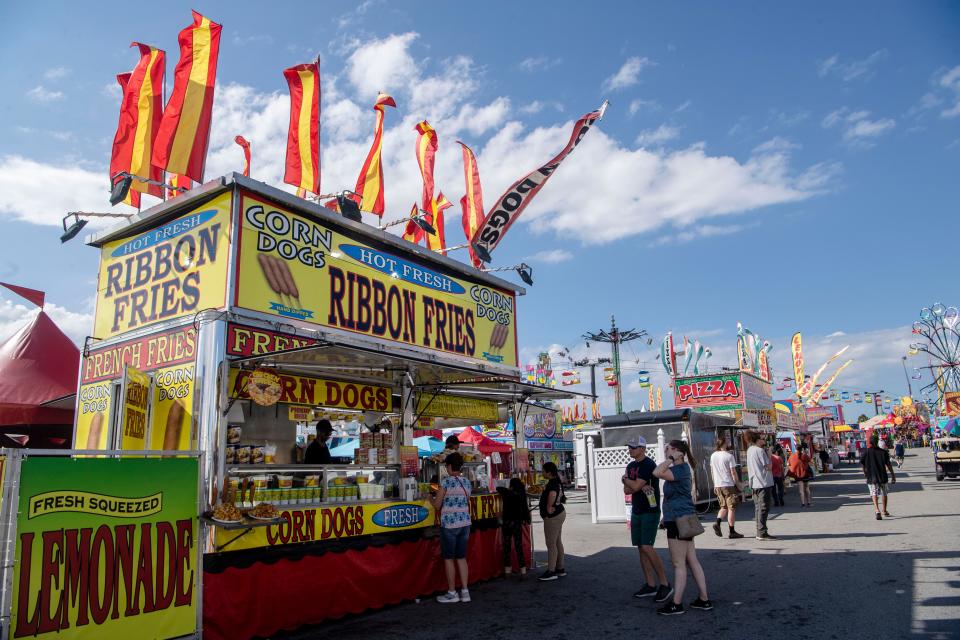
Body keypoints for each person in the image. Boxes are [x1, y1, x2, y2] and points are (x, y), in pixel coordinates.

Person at [653, 440, 712, 615]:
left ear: (678, 451)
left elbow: (656, 472)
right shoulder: (682, 469)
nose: (665, 451)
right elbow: (673, 496)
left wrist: (671, 458)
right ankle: (704, 599)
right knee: (691, 560)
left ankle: (676, 604)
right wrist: (665, 516)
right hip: (681, 517)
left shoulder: (679, 469)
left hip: (678, 520)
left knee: (678, 563)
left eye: (668, 448)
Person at [621, 437, 672, 601]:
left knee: (647, 546)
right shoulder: (631, 466)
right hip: (637, 510)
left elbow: (633, 486)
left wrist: (626, 480)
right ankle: (650, 584)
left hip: (650, 511)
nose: (631, 450)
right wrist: (635, 484)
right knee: (641, 548)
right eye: (630, 447)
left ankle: (665, 584)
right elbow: (627, 491)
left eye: (634, 447)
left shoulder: (648, 464)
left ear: (642, 448)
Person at [431, 452, 472, 602]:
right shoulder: (467, 482)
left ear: (449, 466)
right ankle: (465, 592)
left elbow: (437, 505)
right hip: (465, 524)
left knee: (449, 559)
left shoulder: (446, 482)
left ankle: (452, 592)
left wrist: (429, 497)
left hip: (449, 524)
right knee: (461, 557)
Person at [709, 437, 745, 539]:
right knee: (731, 508)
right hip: (728, 484)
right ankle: (732, 531)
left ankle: (717, 522)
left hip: (718, 485)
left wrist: (715, 484)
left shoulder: (713, 455)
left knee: (723, 506)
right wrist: (737, 483)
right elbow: (733, 472)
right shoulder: (729, 456)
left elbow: (712, 471)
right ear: (724, 443)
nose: (729, 443)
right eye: (728, 441)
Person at [537, 461, 567, 581]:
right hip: (559, 513)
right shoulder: (556, 481)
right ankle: (559, 568)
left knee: (551, 544)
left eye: (543, 471)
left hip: (553, 516)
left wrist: (549, 507)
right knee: (557, 541)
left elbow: (553, 494)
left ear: (549, 472)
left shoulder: (553, 483)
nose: (542, 473)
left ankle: (551, 571)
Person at [496, 478, 530, 577]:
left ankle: (507, 571)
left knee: (507, 547)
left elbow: (498, 488)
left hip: (507, 523)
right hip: (517, 523)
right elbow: (524, 510)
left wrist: (508, 488)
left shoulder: (507, 493)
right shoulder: (521, 495)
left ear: (511, 486)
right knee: (518, 547)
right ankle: (523, 571)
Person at [746, 432, 776, 540]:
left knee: (758, 508)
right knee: (764, 507)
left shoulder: (749, 450)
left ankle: (759, 531)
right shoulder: (760, 451)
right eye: (763, 438)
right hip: (763, 482)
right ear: (758, 440)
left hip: (755, 483)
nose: (764, 440)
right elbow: (768, 467)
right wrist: (769, 455)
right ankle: (762, 532)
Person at [861, 435, 896, 520]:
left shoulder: (866, 452)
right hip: (882, 476)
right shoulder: (883, 452)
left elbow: (862, 463)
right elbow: (889, 464)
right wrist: (893, 475)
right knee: (884, 493)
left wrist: (865, 472)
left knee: (874, 493)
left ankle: (877, 510)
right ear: (877, 441)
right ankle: (884, 510)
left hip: (871, 476)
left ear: (870, 442)